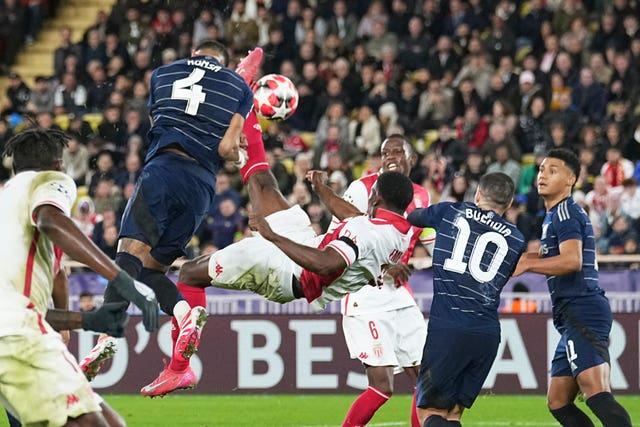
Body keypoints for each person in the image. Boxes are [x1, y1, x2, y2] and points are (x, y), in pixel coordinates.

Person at [81, 39, 255, 387]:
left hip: (163, 170)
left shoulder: (163, 73)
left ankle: (109, 332)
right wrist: (240, 154)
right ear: (225, 61)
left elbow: (158, 121)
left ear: (194, 55)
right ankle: (182, 313)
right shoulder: (238, 87)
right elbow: (225, 148)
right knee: (152, 269)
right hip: (201, 187)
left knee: (128, 253)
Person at [0, 128, 156, 427]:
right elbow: (50, 220)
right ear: (59, 165)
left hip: (15, 331)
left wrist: (86, 321)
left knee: (111, 423)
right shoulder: (48, 181)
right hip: (16, 335)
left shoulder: (9, 211)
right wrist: (122, 279)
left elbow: (24, 306)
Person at [513, 148, 632, 427]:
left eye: (553, 170)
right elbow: (549, 256)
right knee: (558, 401)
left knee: (596, 392)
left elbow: (571, 261)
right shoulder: (553, 216)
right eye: (542, 169)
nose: (543, 175)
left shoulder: (565, 211)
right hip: (570, 315)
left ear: (571, 180)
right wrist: (519, 260)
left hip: (583, 308)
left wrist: (528, 266)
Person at [407, 172, 526, 427]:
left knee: (429, 413)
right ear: (508, 203)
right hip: (486, 333)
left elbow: (413, 216)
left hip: (449, 328)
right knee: (453, 414)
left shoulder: (450, 212)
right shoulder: (517, 239)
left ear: (478, 194)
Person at [336, 134, 435, 427]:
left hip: (399, 294)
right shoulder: (362, 188)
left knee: (426, 380)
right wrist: (384, 264)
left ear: (411, 159)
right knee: (382, 387)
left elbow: (431, 243)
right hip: (364, 292)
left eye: (397, 151)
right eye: (385, 152)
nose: (390, 156)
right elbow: (345, 235)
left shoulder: (422, 196)